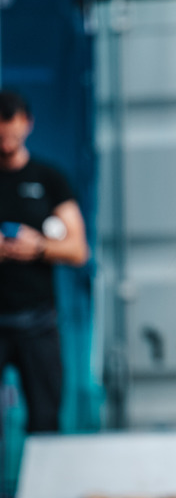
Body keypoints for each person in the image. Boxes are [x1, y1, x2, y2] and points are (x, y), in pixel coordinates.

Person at [0, 90, 89, 433]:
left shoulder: (49, 178)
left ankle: (40, 488)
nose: (6, 137)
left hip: (37, 321)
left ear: (27, 124)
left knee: (45, 418)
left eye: (12, 126)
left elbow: (78, 249)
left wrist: (37, 247)